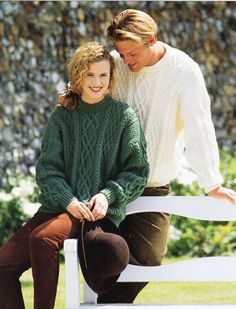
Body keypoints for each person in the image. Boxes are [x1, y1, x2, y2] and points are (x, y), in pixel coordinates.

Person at [97, 9, 236, 304]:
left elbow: (199, 125)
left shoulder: (183, 71)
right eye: (121, 54)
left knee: (148, 260)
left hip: (153, 185)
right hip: (108, 184)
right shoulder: (114, 62)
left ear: (152, 39)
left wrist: (211, 180)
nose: (126, 61)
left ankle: (106, 306)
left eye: (132, 53)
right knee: (101, 256)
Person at [0, 41, 149, 309]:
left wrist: (108, 194)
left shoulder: (125, 117)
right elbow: (47, 170)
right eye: (90, 74)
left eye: (104, 75)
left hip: (93, 215)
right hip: (59, 207)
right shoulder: (62, 118)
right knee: (3, 266)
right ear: (78, 75)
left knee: (42, 238)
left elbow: (137, 172)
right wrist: (67, 199)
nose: (97, 82)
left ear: (111, 77)